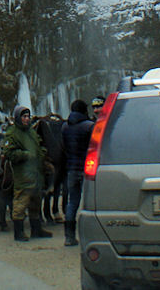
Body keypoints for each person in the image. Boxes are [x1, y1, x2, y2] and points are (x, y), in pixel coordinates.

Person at [1, 105, 51, 241]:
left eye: (28, 116)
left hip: (36, 173)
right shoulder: (12, 133)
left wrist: (42, 154)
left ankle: (36, 230)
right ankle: (19, 232)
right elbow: (8, 152)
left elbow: (38, 145)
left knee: (36, 202)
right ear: (18, 118)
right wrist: (26, 155)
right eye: (24, 116)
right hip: (23, 175)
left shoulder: (31, 132)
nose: (27, 119)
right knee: (21, 202)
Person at [60, 99, 95, 246]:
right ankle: (91, 236)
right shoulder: (90, 126)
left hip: (72, 169)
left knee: (72, 202)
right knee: (91, 203)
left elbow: (63, 147)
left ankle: (69, 237)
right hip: (88, 170)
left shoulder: (64, 127)